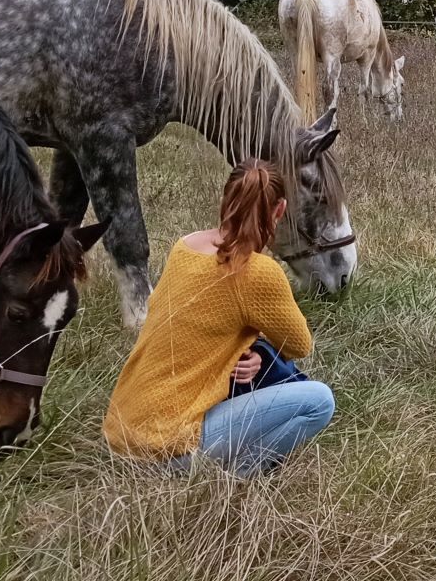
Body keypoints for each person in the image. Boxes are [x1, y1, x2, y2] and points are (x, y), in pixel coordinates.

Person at [103, 160, 334, 476]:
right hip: (165, 446)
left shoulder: (184, 246)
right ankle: (238, 478)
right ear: (279, 211)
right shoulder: (257, 271)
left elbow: (204, 325)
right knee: (320, 401)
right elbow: (299, 345)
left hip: (121, 432)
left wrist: (253, 351)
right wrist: (263, 346)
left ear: (225, 200)